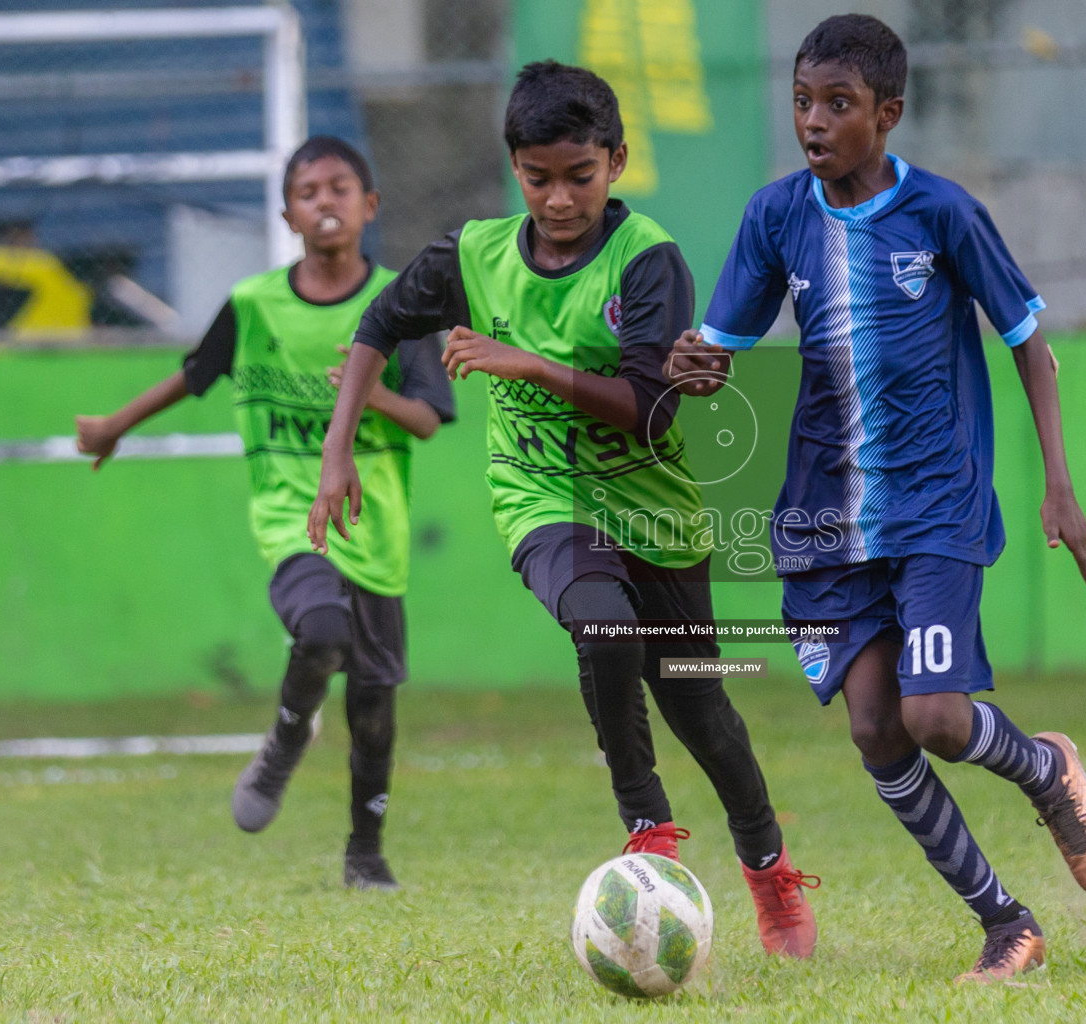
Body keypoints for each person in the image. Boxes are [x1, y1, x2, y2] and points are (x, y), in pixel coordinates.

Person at [307, 61, 819, 957]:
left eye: (578, 176)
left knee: (701, 709)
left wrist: (531, 363)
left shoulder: (648, 260)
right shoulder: (472, 256)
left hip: (656, 512)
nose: (557, 199)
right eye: (538, 178)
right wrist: (337, 449)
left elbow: (653, 405)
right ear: (515, 168)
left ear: (615, 161)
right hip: (542, 500)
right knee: (599, 625)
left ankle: (769, 868)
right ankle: (645, 825)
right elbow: (377, 326)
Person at [664, 15, 1086, 982]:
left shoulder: (944, 214)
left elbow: (1028, 342)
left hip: (935, 504)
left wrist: (1059, 488)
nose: (814, 122)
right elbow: (721, 351)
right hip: (826, 516)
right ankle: (1007, 924)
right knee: (875, 727)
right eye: (801, 102)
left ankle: (1044, 770)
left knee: (937, 718)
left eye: (839, 104)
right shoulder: (775, 216)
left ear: (890, 113)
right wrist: (695, 368)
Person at [75, 136, 453, 892]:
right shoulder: (253, 305)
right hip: (289, 516)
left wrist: (366, 387)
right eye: (308, 191)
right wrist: (118, 423)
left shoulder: (402, 307)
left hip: (375, 532)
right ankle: (285, 741)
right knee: (320, 630)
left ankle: (365, 853)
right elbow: (195, 375)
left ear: (369, 206)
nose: (325, 201)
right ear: (287, 215)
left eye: (340, 188)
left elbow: (428, 418)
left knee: (373, 707)